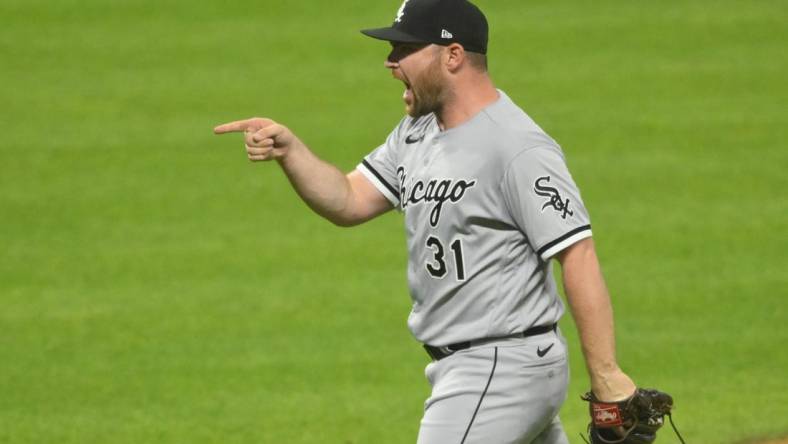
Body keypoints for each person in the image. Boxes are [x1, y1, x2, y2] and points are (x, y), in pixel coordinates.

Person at [214, 0, 637, 442]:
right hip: (471, 366)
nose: (390, 62)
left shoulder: (517, 148)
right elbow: (349, 199)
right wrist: (292, 152)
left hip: (502, 367)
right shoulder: (416, 132)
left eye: (404, 49)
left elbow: (577, 253)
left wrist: (605, 374)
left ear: (452, 55)